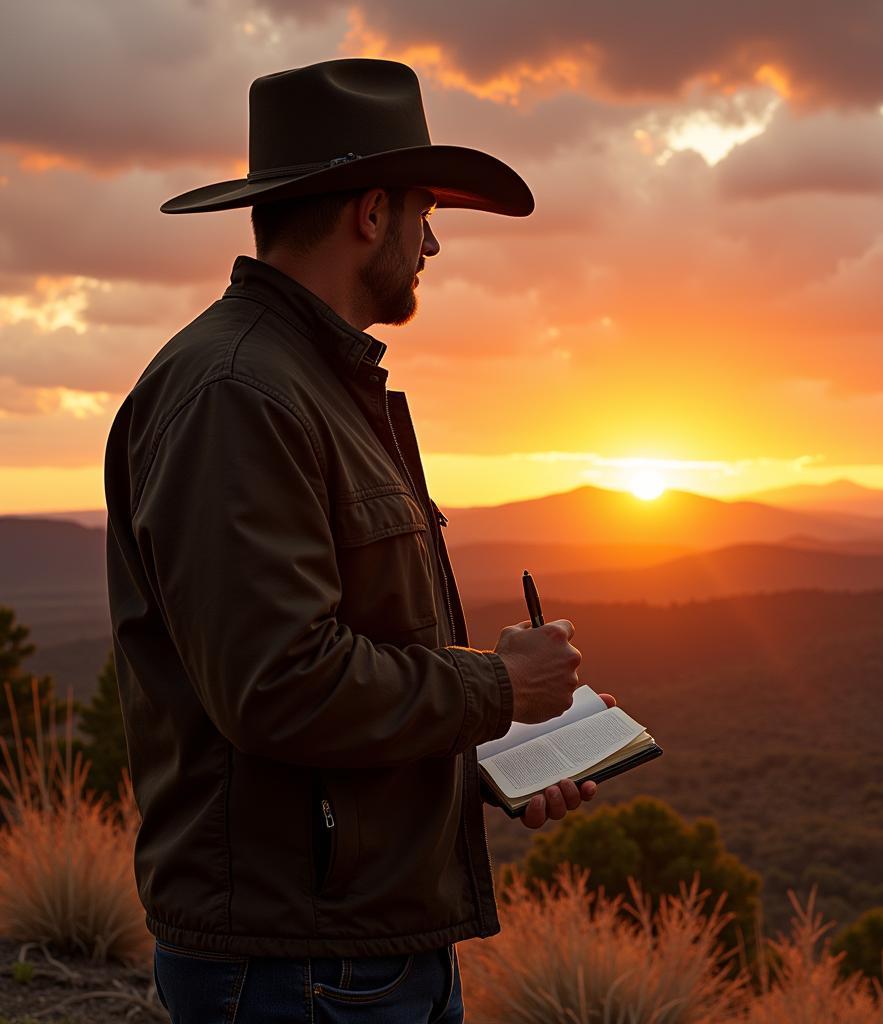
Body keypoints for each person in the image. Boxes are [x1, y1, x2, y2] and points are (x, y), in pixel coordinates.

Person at [103, 58, 615, 1023]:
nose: (435, 246)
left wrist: (494, 756)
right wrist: (499, 688)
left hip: (361, 948)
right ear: (372, 214)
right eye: (427, 213)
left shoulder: (303, 384)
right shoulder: (239, 395)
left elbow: (344, 675)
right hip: (297, 971)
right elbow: (283, 686)